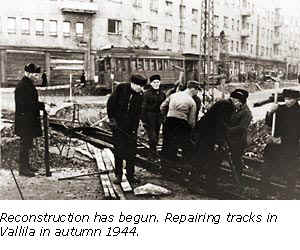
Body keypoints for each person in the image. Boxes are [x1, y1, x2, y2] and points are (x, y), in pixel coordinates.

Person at [107, 74, 147, 185]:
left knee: (131, 152)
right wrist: (112, 119)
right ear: (133, 84)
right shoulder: (121, 88)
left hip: (131, 129)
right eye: (139, 86)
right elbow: (110, 103)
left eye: (143, 86)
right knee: (119, 151)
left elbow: (138, 113)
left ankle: (130, 175)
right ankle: (119, 175)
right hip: (118, 126)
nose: (141, 88)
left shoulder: (140, 95)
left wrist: (136, 128)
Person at [261, 89, 300, 199]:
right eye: (286, 98)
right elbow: (269, 123)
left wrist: (279, 140)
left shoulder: (299, 112)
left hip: (289, 147)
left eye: (290, 99)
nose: (287, 101)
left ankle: (288, 196)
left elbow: (296, 133)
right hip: (273, 147)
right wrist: (270, 112)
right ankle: (263, 194)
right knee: (265, 170)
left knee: (289, 173)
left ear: (296, 99)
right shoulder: (280, 109)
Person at [192, 98, 236, 193]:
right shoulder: (226, 106)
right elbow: (220, 124)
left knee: (204, 160)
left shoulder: (223, 103)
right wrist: (220, 141)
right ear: (237, 101)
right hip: (208, 136)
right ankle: (202, 185)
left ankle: (205, 184)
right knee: (208, 160)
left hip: (206, 134)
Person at [15, 63, 45, 177]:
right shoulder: (23, 86)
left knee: (28, 144)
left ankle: (26, 166)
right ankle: (23, 169)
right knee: (25, 144)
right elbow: (27, 104)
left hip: (28, 120)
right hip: (25, 121)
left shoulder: (28, 84)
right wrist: (40, 106)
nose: (37, 77)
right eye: (35, 75)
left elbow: (31, 102)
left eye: (38, 75)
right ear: (28, 73)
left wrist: (41, 104)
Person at [160, 80, 200, 161]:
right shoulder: (192, 102)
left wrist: (166, 117)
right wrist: (191, 129)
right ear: (193, 89)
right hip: (181, 123)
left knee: (168, 142)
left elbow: (162, 107)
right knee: (185, 142)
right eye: (197, 90)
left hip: (169, 121)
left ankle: (165, 163)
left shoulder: (174, 95)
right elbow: (191, 120)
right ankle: (186, 162)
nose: (197, 92)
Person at [227, 89, 252, 178]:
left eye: (234, 101)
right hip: (230, 138)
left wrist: (227, 130)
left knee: (236, 158)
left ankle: (238, 177)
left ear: (240, 102)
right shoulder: (235, 109)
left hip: (239, 140)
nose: (233, 103)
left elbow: (242, 128)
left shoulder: (246, 113)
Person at [141, 74, 166, 160]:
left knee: (157, 135)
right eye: (154, 82)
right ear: (151, 83)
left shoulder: (162, 94)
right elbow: (143, 107)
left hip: (158, 117)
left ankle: (154, 153)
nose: (156, 84)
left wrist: (163, 118)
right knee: (152, 137)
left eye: (157, 82)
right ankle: (151, 154)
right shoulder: (146, 94)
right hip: (149, 117)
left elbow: (165, 106)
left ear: (160, 82)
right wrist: (143, 120)